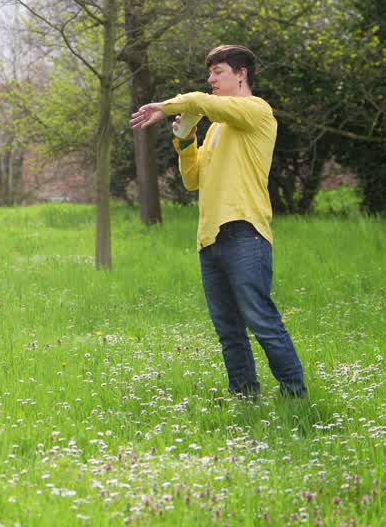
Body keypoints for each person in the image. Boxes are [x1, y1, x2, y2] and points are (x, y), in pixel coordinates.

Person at [129, 45, 308, 400]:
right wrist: (185, 141)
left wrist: (167, 107)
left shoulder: (258, 111)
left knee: (261, 320)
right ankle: (245, 397)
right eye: (209, 73)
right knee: (229, 330)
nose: (210, 79)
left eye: (218, 72)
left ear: (242, 74)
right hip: (209, 240)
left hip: (245, 232)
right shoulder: (214, 131)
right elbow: (193, 179)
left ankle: (295, 396)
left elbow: (201, 101)